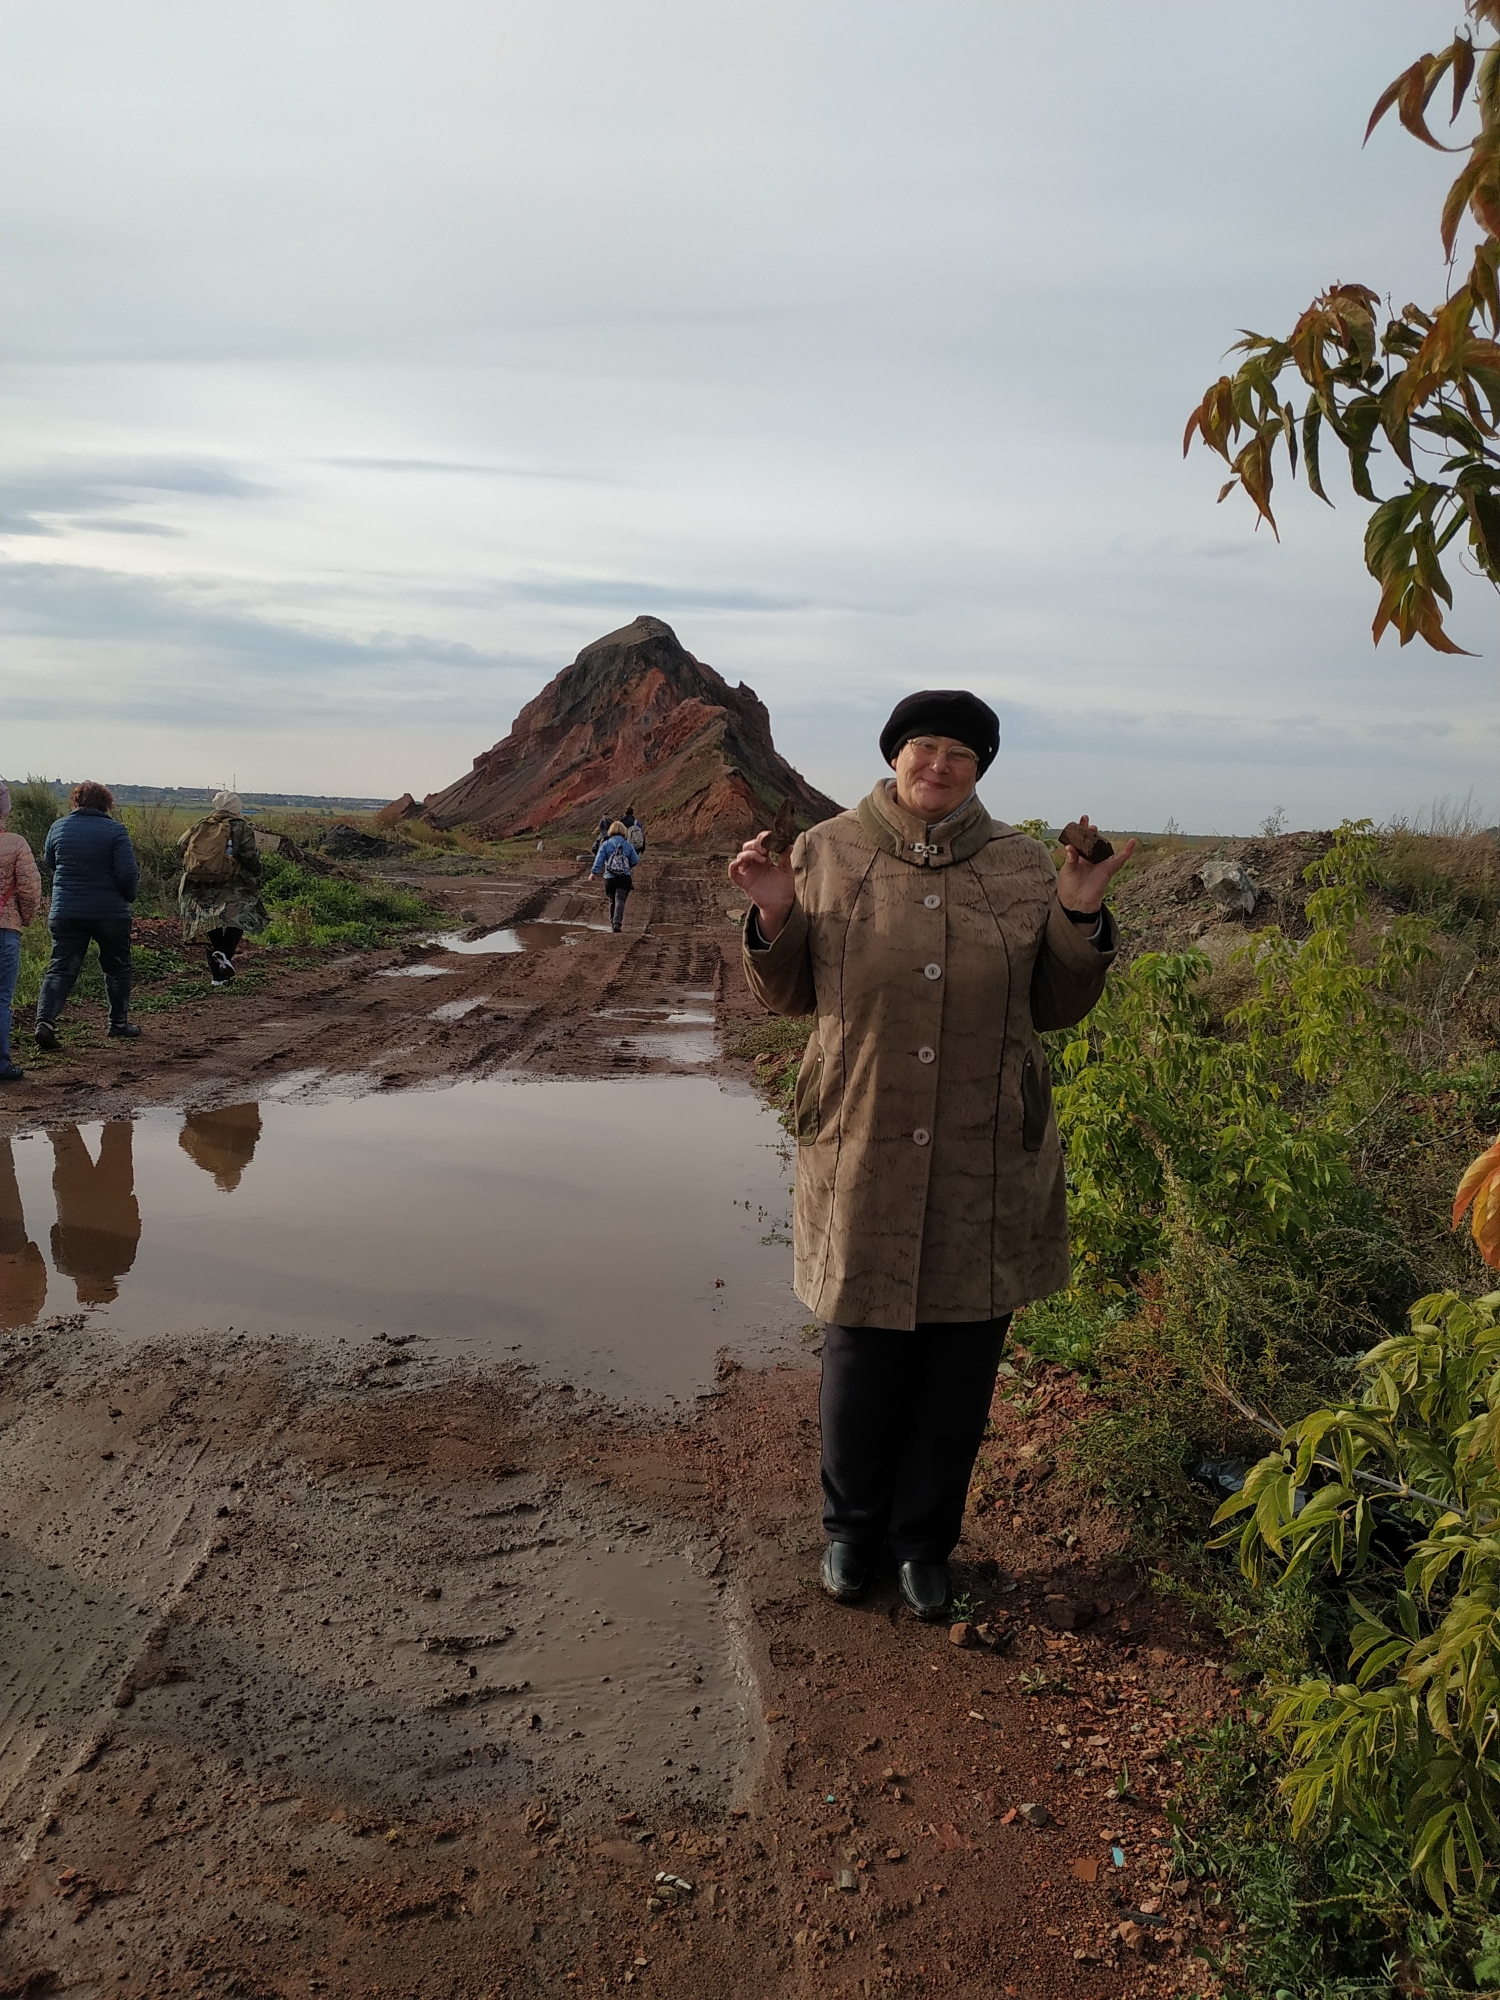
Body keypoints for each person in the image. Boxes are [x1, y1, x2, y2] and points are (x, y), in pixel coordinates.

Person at [729, 690, 1134, 1623]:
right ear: (894, 756)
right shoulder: (826, 850)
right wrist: (775, 912)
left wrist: (1079, 913)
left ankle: (923, 1545)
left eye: (960, 752)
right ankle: (850, 1532)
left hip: (983, 1149)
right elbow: (788, 998)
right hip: (862, 1131)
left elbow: (1056, 1006)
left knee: (960, 1362)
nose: (939, 764)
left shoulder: (1022, 864)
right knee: (861, 1350)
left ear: (980, 768)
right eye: (923, 747)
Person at [33, 781, 141, 1048]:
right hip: (109, 912)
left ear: (76, 801)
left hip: (65, 910)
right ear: (106, 804)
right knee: (117, 967)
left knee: (61, 968)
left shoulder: (58, 827)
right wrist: (128, 897)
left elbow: (50, 862)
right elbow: (128, 874)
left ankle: (44, 1022)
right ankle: (118, 1023)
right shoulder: (116, 831)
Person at [176, 791, 267, 986]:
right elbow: (249, 856)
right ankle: (225, 952)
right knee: (242, 915)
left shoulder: (201, 824)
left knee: (210, 924)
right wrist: (256, 872)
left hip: (199, 882)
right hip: (231, 882)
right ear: (236, 808)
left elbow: (180, 845)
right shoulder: (240, 826)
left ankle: (217, 978)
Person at [49, 1122, 140, 1306]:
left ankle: (118, 1107)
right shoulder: (65, 1266)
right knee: (64, 1140)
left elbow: (133, 1226)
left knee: (118, 1137)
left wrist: (130, 1202)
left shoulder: (122, 1264)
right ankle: (50, 1107)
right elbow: (54, 1231)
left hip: (114, 1194)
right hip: (72, 1199)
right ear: (82, 1290)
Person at [0, 781, 43, 1081]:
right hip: (5, 929)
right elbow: (30, 890)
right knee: (1, 999)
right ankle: (1, 1065)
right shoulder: (16, 844)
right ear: (5, 810)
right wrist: (22, 919)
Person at [589, 818, 640, 932]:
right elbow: (635, 860)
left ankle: (613, 922)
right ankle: (617, 923)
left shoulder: (606, 844)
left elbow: (599, 860)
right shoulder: (627, 845)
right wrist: (627, 865)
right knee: (620, 900)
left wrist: (593, 873)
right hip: (624, 877)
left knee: (612, 900)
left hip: (609, 877)